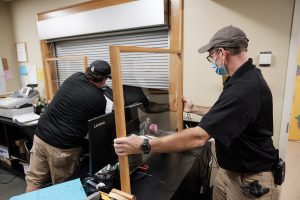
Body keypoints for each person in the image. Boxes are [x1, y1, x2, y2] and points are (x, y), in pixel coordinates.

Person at [114, 25, 279, 199]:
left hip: (250, 178)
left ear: (222, 53)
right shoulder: (243, 78)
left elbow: (199, 137)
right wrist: (194, 108)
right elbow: (225, 114)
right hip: (230, 171)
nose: (212, 61)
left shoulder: (244, 88)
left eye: (211, 56)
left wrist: (144, 145)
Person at [25, 60, 111, 192]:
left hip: (40, 137)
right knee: (64, 189)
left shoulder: (75, 76)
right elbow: (97, 126)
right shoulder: (99, 99)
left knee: (35, 181)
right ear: (104, 80)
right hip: (62, 148)